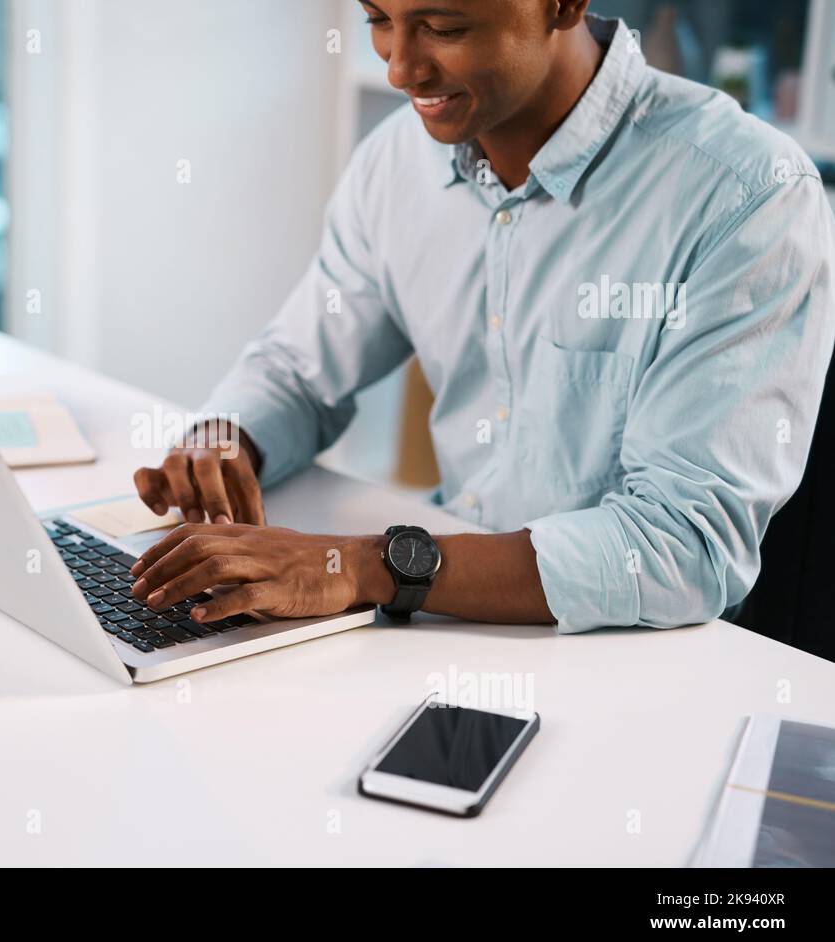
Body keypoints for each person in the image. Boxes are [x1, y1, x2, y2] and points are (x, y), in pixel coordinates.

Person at [129, 1, 835, 633]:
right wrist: (224, 439)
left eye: (443, 27)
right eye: (378, 19)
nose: (403, 68)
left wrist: (361, 566)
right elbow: (298, 368)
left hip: (632, 650)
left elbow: (681, 546)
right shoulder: (396, 164)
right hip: (441, 611)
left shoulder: (744, 194)